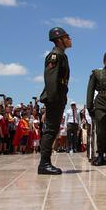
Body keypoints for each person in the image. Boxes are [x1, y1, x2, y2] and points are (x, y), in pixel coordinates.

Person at [38, 27, 71, 175]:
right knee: (50, 130)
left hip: (58, 97)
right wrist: (55, 100)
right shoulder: (55, 55)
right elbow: (51, 80)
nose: (70, 39)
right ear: (59, 40)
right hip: (54, 98)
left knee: (53, 129)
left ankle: (45, 163)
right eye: (67, 37)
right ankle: (44, 164)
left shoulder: (61, 55)